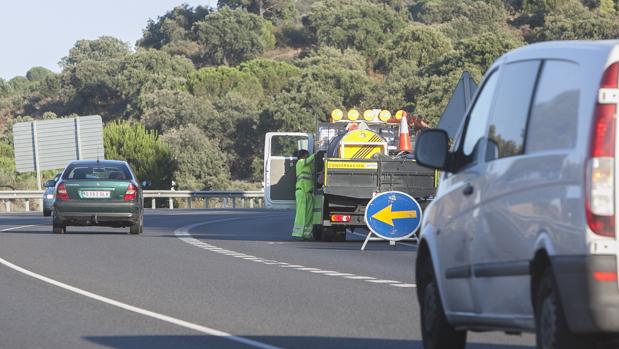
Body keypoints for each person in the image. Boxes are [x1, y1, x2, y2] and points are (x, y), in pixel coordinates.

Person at [292, 149, 315, 240]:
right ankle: (297, 234)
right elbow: (310, 159)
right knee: (301, 213)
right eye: (307, 155)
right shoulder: (300, 162)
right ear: (304, 156)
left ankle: (307, 234)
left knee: (309, 215)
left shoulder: (308, 166)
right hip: (301, 191)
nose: (308, 156)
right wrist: (316, 154)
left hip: (309, 192)